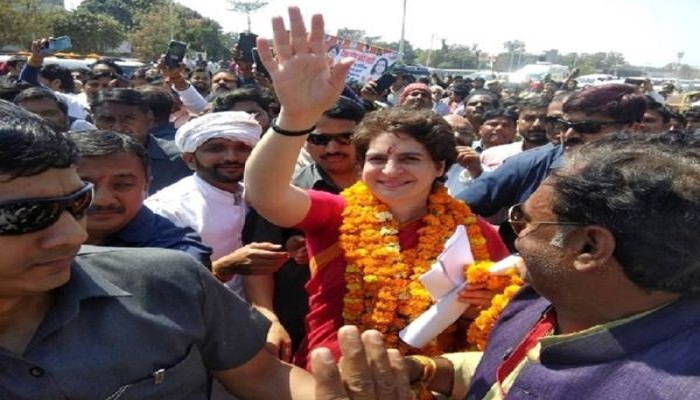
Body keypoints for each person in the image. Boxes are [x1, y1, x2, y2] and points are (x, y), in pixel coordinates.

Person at [315, 132, 700, 399]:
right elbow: (508, 369)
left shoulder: (673, 388)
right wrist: (427, 370)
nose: (516, 237)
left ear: (589, 246)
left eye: (524, 220)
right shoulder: (537, 299)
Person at [0, 99, 320, 399]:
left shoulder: (168, 277)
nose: (73, 233)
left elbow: (265, 376)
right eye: (26, 214)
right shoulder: (175, 207)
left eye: (76, 202)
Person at [245, 18, 510, 371]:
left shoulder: (478, 235)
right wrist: (295, 115)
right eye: (377, 158)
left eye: (409, 158)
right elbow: (265, 194)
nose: (389, 170)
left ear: (440, 167)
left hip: (432, 383)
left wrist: (483, 301)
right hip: (332, 381)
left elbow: (505, 313)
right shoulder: (335, 213)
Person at [455, 83, 646, 221]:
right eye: (565, 125)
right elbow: (455, 211)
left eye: (588, 126)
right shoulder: (527, 164)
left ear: (632, 130)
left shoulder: (659, 179)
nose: (569, 135)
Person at [66, 130, 212, 267]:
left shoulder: (175, 255)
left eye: (122, 185)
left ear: (146, 186)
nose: (102, 200)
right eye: (84, 185)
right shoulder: (45, 236)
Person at [90, 88, 192, 194]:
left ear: (149, 119)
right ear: (94, 122)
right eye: (107, 120)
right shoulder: (82, 160)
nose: (118, 127)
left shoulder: (179, 159)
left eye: (128, 118)